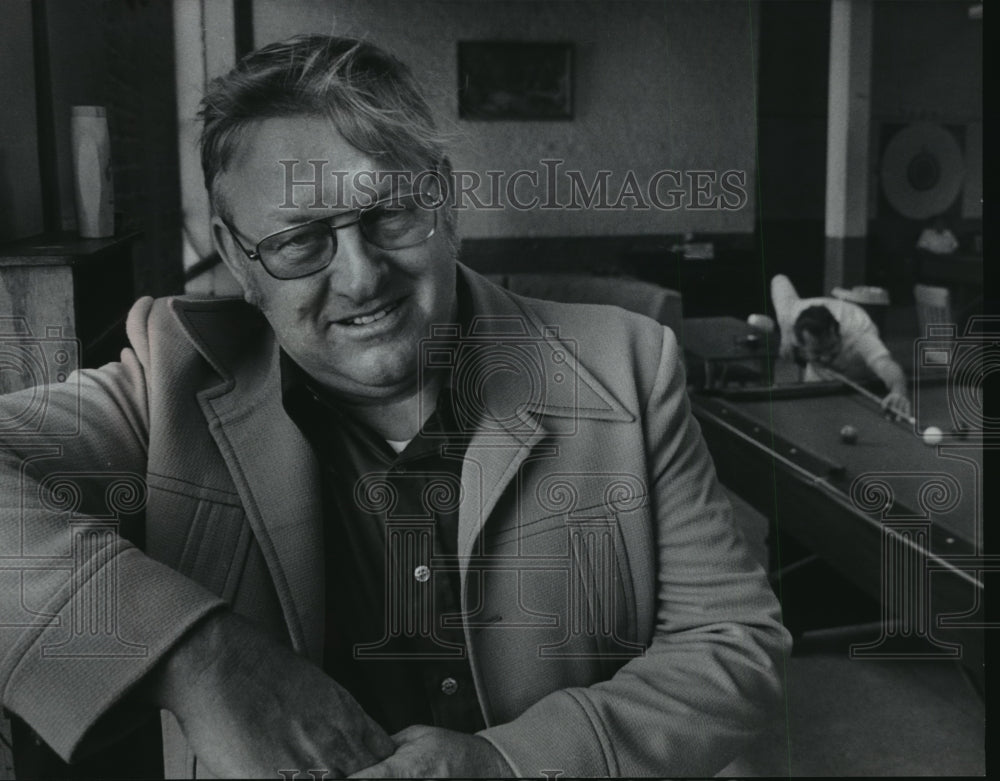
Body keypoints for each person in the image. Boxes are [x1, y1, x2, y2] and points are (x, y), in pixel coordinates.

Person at [0, 35, 788, 778]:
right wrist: (199, 653)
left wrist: (512, 762)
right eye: (301, 240)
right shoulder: (163, 391)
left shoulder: (630, 364)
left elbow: (732, 642)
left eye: (390, 212)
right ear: (239, 258)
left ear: (443, 199)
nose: (361, 276)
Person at [771, 274, 912, 418]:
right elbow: (779, 279)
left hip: (860, 380)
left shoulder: (859, 334)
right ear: (801, 343)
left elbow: (886, 365)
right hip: (817, 382)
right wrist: (785, 333)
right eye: (817, 352)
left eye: (832, 348)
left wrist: (898, 391)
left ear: (839, 334)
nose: (825, 358)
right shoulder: (791, 317)